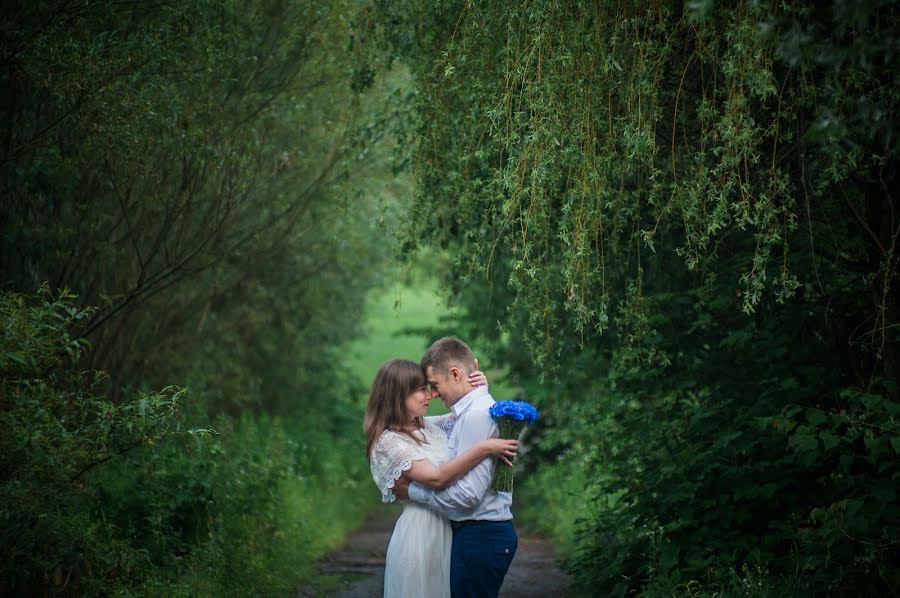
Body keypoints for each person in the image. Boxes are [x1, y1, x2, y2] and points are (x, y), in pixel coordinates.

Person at [365, 358, 518, 598]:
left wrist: (478, 388)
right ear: (397, 395)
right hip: (420, 535)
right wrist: (484, 449)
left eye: (429, 388)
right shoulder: (388, 441)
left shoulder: (427, 427)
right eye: (421, 390)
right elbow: (436, 478)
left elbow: (468, 414)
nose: (430, 395)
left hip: (448, 530)